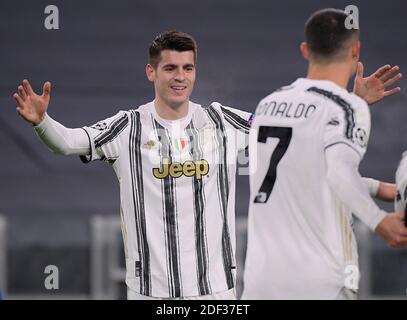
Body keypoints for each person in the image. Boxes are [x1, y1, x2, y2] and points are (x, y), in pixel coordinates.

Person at [12, 30, 401, 300]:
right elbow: (67, 143)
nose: (180, 77)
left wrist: (354, 103)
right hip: (151, 293)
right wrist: (42, 121)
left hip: (217, 293)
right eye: (170, 68)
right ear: (152, 72)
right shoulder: (126, 127)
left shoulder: (222, 120)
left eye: (188, 68)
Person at [242, 8, 407, 300]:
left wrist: (376, 187)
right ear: (355, 50)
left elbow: (304, 173)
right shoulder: (346, 108)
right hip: (320, 284)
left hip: (261, 284)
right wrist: (379, 221)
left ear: (305, 50)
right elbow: (339, 172)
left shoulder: (268, 104)